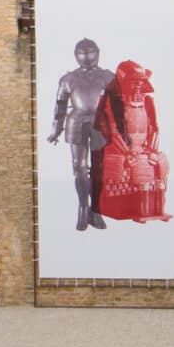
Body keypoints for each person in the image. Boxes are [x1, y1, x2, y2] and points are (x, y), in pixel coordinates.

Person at [45, 37, 116, 232]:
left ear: (97, 53)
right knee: (79, 167)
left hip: (100, 123)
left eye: (90, 52)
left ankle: (96, 209)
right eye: (83, 53)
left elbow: (118, 106)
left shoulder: (107, 77)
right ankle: (83, 207)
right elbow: (60, 107)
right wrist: (56, 129)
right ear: (77, 55)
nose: (87, 56)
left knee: (100, 170)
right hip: (76, 123)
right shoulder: (69, 79)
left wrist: (122, 129)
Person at [95, 58, 171, 222]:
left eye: (140, 82)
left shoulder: (148, 102)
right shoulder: (111, 102)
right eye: (133, 81)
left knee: (161, 161)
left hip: (143, 150)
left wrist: (152, 151)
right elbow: (111, 131)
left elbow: (154, 128)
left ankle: (155, 208)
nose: (138, 86)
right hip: (119, 149)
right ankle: (134, 208)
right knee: (126, 164)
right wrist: (127, 152)